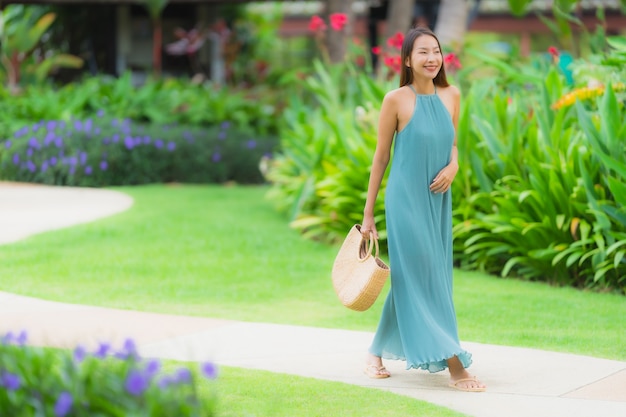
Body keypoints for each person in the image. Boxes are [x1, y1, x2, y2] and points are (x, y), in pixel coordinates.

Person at [360, 26, 486, 392]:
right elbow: (381, 157)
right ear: (407, 60)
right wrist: (368, 215)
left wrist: (454, 165)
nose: (432, 58)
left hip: (437, 201)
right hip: (405, 202)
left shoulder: (452, 95)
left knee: (424, 277)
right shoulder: (395, 99)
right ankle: (454, 364)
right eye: (422, 53)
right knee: (420, 276)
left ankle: (374, 353)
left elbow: (453, 144)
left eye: (436, 51)